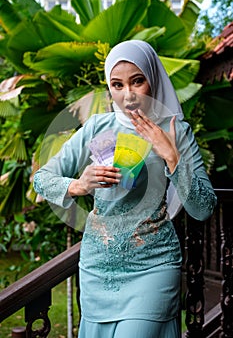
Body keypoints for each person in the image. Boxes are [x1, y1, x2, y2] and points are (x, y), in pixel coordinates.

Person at [33, 40, 217, 338]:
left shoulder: (175, 131)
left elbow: (203, 207)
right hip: (98, 269)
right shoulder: (96, 127)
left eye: (137, 81)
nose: (128, 95)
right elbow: (42, 179)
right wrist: (80, 184)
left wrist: (171, 155)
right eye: (117, 85)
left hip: (153, 266)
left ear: (153, 79)